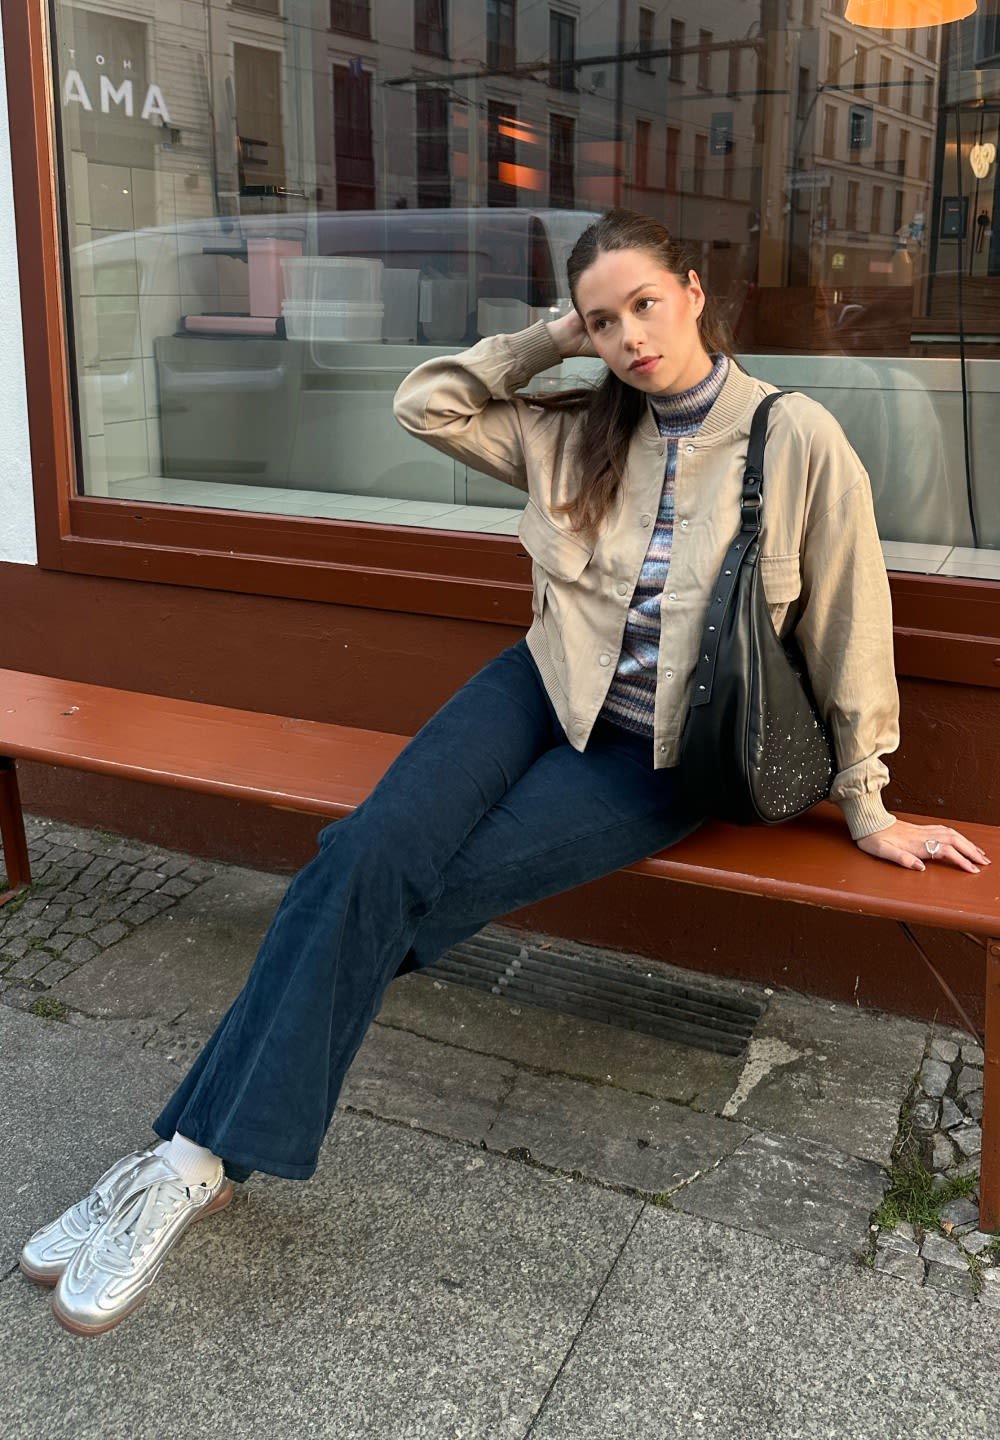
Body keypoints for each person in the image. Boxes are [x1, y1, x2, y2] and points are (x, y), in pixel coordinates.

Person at [20, 207, 990, 1337]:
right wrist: (548, 340)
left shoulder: (796, 437)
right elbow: (424, 402)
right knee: (365, 855)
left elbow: (847, 625)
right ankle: (194, 1162)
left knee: (388, 896)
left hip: (663, 752)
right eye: (602, 318)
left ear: (692, 288)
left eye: (643, 303)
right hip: (540, 685)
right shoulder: (576, 428)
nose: (629, 334)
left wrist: (869, 802)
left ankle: (184, 1159)